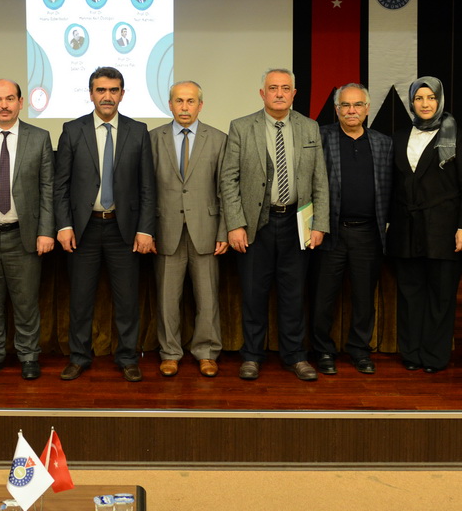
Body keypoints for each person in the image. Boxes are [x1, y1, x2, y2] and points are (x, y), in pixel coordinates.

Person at [220, 68, 329, 381]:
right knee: (254, 295)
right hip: (256, 225)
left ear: (294, 93)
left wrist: (319, 224)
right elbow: (229, 179)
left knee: (293, 296)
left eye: (285, 88)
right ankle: (252, 356)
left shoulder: (309, 127)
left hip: (297, 224)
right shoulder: (241, 127)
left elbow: (319, 179)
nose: (279, 93)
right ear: (262, 93)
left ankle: (295, 356)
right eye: (273, 88)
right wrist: (235, 224)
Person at [55, 66, 156, 382]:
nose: (107, 96)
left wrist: (145, 229)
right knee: (80, 299)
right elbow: (61, 184)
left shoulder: (138, 131)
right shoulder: (73, 130)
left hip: (123, 230)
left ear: (122, 94)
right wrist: (64, 225)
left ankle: (127, 357)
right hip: (83, 230)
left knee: (127, 301)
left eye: (113, 90)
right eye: (101, 90)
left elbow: (147, 186)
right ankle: (79, 357)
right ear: (91, 94)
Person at [388, 76, 462, 374]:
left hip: (445, 231)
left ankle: (435, 356)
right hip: (405, 229)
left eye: (431, 98)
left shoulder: (458, 137)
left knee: (441, 296)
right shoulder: (399, 137)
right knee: (410, 294)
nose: (425, 104)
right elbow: (391, 185)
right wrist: (388, 222)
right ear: (411, 103)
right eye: (419, 98)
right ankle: (411, 353)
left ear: (440, 101)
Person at [0, 79, 54, 381]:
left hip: (23, 235)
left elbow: (47, 187)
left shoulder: (39, 137)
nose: (3, 105)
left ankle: (29, 356)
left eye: (9, 99)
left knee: (26, 303)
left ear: (20, 102)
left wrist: (46, 231)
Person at [312, 83, 393, 375]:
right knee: (323, 298)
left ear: (367, 109)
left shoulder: (383, 143)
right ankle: (323, 351)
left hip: (368, 233)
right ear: (336, 110)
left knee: (364, 298)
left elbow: (391, 187)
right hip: (330, 231)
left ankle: (359, 350)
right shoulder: (321, 137)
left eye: (358, 105)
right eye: (345, 105)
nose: (351, 110)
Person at [150, 81, 227, 377]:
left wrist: (224, 231)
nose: (185, 107)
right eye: (179, 101)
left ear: (200, 105)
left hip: (206, 231)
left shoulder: (218, 139)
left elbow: (225, 190)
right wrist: (147, 230)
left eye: (191, 101)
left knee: (208, 298)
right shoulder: (152, 139)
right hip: (165, 229)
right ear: (170, 105)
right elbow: (146, 190)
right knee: (167, 299)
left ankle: (207, 353)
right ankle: (170, 353)